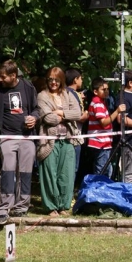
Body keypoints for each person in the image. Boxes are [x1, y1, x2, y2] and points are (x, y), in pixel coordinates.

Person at [0, 59, 39, 223]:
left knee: (25, 172)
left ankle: (22, 206)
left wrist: (34, 118)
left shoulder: (28, 87)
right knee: (8, 170)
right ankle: (3, 207)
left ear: (13, 75)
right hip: (6, 137)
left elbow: (37, 109)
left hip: (27, 137)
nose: (0, 80)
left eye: (3, 77)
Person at [36, 67, 82, 216]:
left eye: (56, 80)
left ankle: (63, 205)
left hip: (68, 140)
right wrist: (65, 116)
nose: (53, 83)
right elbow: (48, 118)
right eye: (50, 79)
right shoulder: (42, 96)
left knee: (67, 175)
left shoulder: (68, 94)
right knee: (50, 174)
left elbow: (78, 114)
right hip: (50, 141)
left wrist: (61, 112)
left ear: (61, 80)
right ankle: (51, 207)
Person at [87, 77, 126, 178]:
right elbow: (104, 122)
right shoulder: (97, 104)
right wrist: (117, 111)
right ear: (95, 91)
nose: (107, 91)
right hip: (99, 142)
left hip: (103, 142)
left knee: (107, 169)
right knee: (102, 169)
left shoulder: (101, 102)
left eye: (107, 89)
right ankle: (99, 189)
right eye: (103, 89)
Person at [65, 68, 89, 176]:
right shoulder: (71, 94)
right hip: (73, 136)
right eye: (81, 79)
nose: (82, 81)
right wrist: (84, 116)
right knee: (72, 168)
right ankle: (67, 192)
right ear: (75, 80)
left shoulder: (69, 93)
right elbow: (77, 115)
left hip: (73, 135)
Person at [117, 71, 132, 183]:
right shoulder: (124, 97)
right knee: (129, 174)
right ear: (130, 83)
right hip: (130, 142)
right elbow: (120, 118)